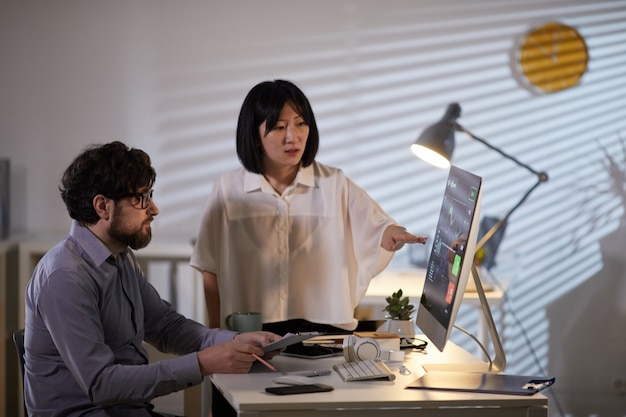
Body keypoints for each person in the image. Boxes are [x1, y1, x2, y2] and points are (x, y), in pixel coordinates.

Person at [24, 141, 282, 417]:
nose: (154, 209)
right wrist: (203, 363)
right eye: (142, 198)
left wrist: (236, 340)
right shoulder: (66, 276)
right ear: (102, 207)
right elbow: (102, 384)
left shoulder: (120, 257)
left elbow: (166, 327)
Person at [191, 80, 427, 335]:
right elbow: (210, 267)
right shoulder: (228, 189)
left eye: (301, 123)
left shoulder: (333, 183)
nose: (293, 137)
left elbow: (377, 225)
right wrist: (215, 336)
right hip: (249, 333)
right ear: (254, 137)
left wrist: (393, 232)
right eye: (279, 127)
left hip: (325, 333)